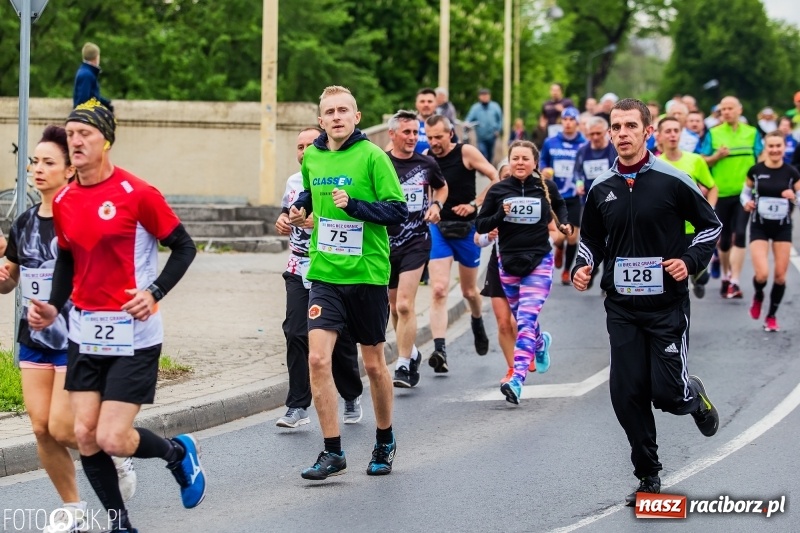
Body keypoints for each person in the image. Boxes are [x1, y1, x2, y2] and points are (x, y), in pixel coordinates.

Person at [27, 99, 203, 533]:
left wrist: (154, 291)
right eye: (70, 135)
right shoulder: (66, 199)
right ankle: (120, 524)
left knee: (111, 437)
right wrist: (53, 304)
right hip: (85, 333)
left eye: (84, 133)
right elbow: (67, 260)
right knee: (85, 434)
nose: (76, 141)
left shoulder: (138, 194)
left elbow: (184, 247)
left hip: (134, 335)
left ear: (106, 139)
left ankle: (178, 454)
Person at [572, 98, 721, 506]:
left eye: (629, 127)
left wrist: (688, 262)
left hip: (666, 306)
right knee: (626, 391)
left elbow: (711, 226)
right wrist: (583, 267)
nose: (621, 134)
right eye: (615, 127)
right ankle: (648, 475)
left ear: (646, 131)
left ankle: (693, 394)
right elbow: (591, 239)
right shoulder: (602, 188)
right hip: (621, 306)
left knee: (667, 394)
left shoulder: (673, 180)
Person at [0, 125, 136, 532]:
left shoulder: (79, 217)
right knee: (41, 428)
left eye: (48, 163)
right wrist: (4, 276)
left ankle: (116, 451)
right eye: (34, 162)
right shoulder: (22, 223)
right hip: (34, 338)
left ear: (68, 171)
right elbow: (11, 282)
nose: (38, 169)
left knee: (63, 426)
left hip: (75, 336)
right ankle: (73, 509)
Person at [288, 86, 407, 480]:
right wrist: (300, 206)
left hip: (368, 274)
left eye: (344, 110)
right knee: (317, 358)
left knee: (373, 364)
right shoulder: (315, 157)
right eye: (329, 112)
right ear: (320, 120)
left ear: (357, 117)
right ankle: (332, 451)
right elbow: (310, 189)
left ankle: (385, 440)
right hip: (325, 273)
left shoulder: (373, 156)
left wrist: (354, 206)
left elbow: (396, 211)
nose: (336, 116)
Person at [274, 127, 364, 428]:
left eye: (308, 145)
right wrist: (284, 220)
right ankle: (297, 405)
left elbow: (348, 218)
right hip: (300, 267)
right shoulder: (293, 181)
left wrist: (315, 220)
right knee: (296, 332)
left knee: (339, 338)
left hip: (333, 268)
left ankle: (351, 393)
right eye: (298, 146)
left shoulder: (338, 176)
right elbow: (288, 212)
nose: (303, 151)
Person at [476, 140, 571, 404]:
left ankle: (517, 378)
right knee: (524, 318)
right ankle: (540, 343)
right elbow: (481, 223)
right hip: (508, 264)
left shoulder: (545, 187)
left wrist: (564, 224)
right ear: (509, 161)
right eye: (515, 158)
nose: (520, 163)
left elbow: (561, 206)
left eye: (525, 159)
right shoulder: (499, 190)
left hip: (539, 261)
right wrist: (499, 215)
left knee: (525, 321)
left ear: (534, 163)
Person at [425, 114, 498, 372]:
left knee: (469, 292)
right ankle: (440, 349)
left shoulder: (465, 152)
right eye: (429, 137)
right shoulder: (426, 157)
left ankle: (477, 320)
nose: (433, 142)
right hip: (439, 229)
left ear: (450, 134)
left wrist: (474, 205)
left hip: (467, 230)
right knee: (439, 290)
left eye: (438, 137)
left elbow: (495, 177)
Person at [384, 110, 448, 388]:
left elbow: (442, 188)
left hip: (416, 241)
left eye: (415, 132)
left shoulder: (427, 163)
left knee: (404, 305)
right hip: (386, 243)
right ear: (392, 134)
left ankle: (403, 365)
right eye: (407, 132)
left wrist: (436, 205)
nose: (412, 138)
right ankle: (413, 352)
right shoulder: (380, 163)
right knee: (395, 308)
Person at [699, 96, 763, 299]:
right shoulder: (714, 133)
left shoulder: (752, 133)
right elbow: (702, 161)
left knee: (741, 234)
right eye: (723, 109)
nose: (726, 112)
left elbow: (760, 158)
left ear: (739, 110)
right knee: (724, 240)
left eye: (730, 108)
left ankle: (734, 281)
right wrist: (716, 157)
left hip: (745, 194)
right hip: (721, 193)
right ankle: (726, 275)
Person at [741, 131, 800, 332]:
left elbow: (799, 199)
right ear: (766, 148)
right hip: (760, 225)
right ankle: (758, 295)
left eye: (778, 146)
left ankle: (771, 316)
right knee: (762, 274)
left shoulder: (792, 173)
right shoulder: (755, 170)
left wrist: (794, 197)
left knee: (780, 277)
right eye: (771, 146)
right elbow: (745, 193)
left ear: (784, 148)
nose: (775, 150)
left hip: (783, 227)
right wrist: (746, 203)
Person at [657, 116, 719, 298]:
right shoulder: (654, 163)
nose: (673, 135)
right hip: (668, 231)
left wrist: (710, 210)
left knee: (701, 277)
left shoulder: (695, 160)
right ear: (659, 136)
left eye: (676, 131)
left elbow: (712, 187)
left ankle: (698, 280)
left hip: (694, 227)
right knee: (673, 278)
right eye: (668, 131)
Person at [540, 107, 586, 285]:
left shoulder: (583, 144)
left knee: (573, 236)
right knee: (559, 236)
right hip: (554, 193)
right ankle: (559, 247)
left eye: (571, 119)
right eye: (565, 119)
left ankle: (567, 270)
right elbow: (543, 159)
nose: (567, 123)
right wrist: (544, 169)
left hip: (574, 194)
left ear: (577, 123)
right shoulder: (551, 142)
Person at [464, 88, 503, 163]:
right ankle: (483, 167)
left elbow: (500, 119)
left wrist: (498, 129)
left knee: (490, 152)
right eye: (482, 95)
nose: (484, 97)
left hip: (492, 135)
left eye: (486, 95)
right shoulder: (475, 108)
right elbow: (469, 118)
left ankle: (489, 165)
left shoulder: (495, 107)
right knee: (482, 151)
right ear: (479, 97)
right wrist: (466, 123)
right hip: (481, 135)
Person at [73, 42, 112, 110]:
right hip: (86, 117)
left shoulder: (86, 72)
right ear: (96, 57)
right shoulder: (87, 75)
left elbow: (92, 95)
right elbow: (83, 100)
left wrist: (105, 102)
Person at [414, 87, 438, 153]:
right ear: (416, 104)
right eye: (422, 101)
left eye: (429, 101)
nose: (426, 104)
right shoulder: (408, 124)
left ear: (436, 104)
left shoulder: (444, 124)